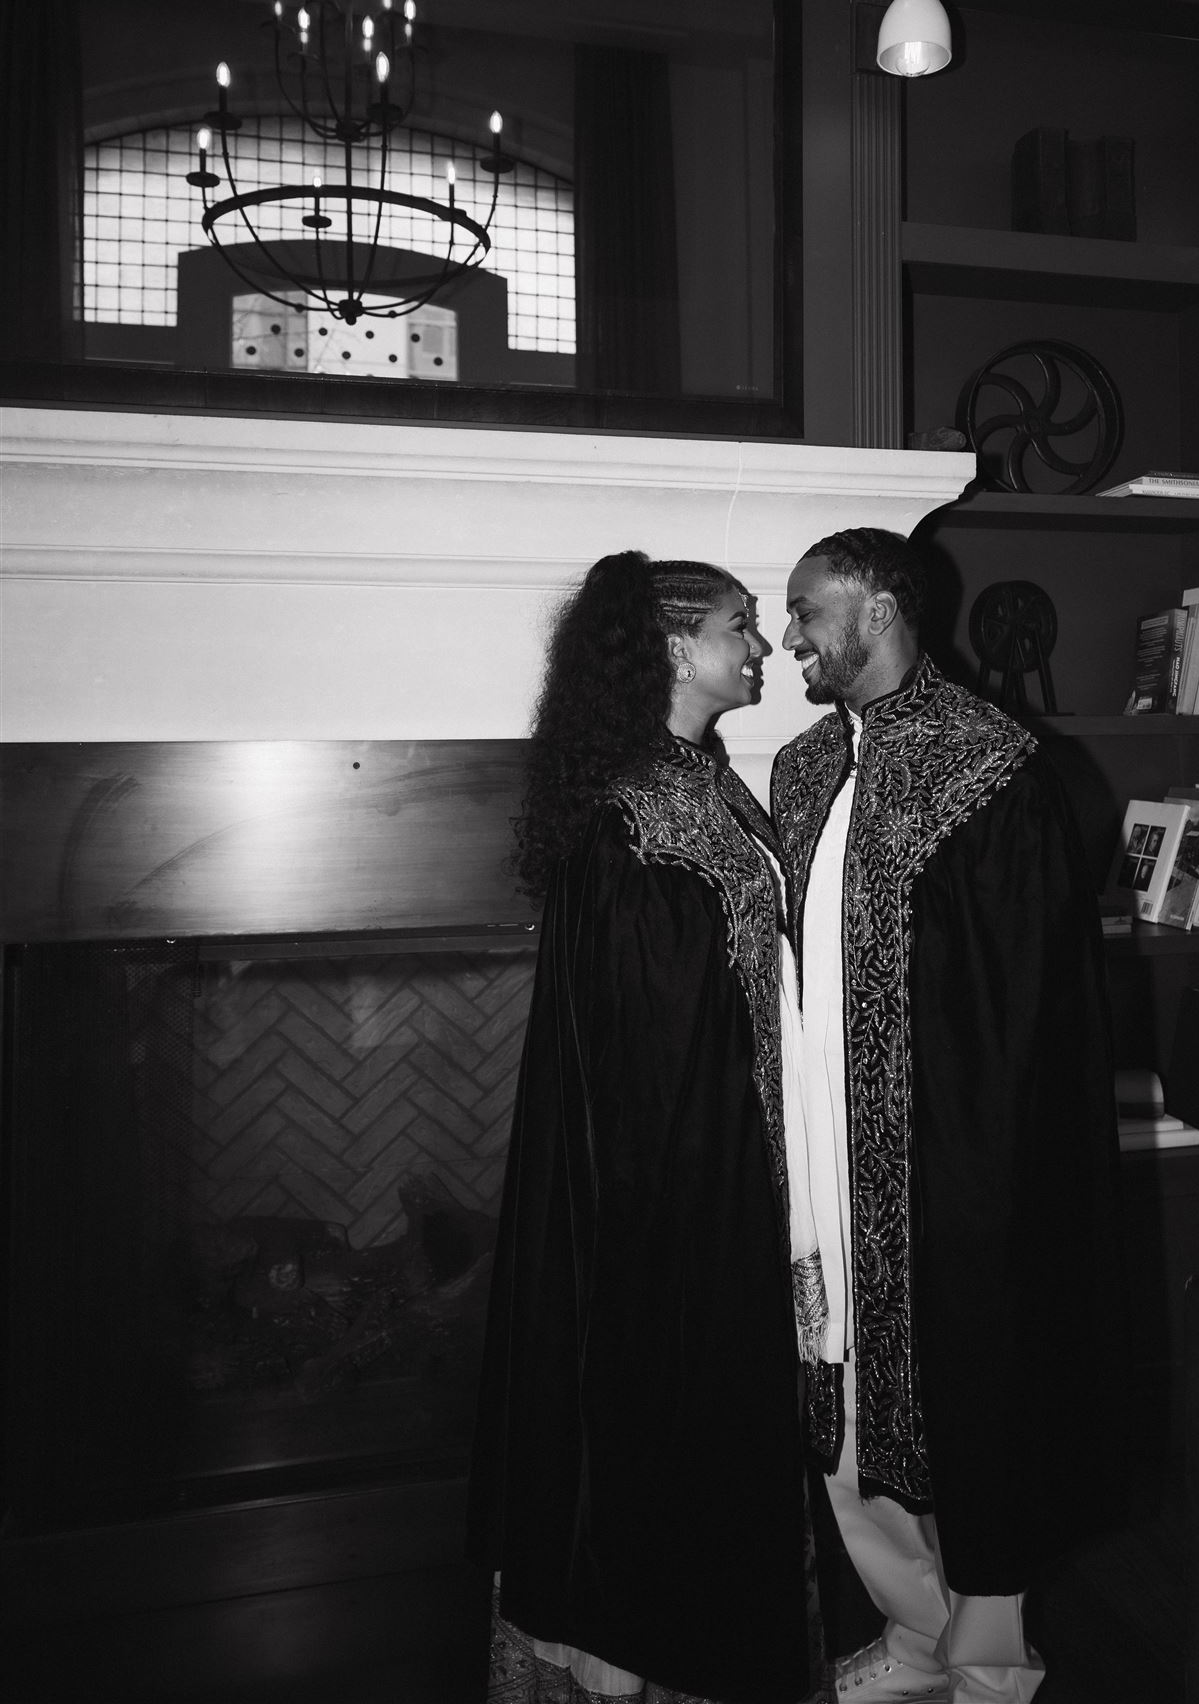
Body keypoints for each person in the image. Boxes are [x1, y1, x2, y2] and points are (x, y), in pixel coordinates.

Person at [770, 528, 1127, 1704]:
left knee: (974, 1401)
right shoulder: (805, 765)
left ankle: (990, 1659)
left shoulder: (996, 768)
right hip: (822, 1145)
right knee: (844, 1398)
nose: (790, 635)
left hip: (949, 1157)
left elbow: (1029, 1005)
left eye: (808, 608)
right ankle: (914, 1625)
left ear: (876, 605)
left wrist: (988, 1173)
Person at [468, 551, 823, 1704]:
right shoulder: (638, 811)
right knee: (658, 1404)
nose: (762, 648)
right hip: (668, 1180)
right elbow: (642, 1044)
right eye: (741, 626)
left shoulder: (701, 779)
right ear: (674, 645)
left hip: (725, 1151)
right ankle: (643, 1657)